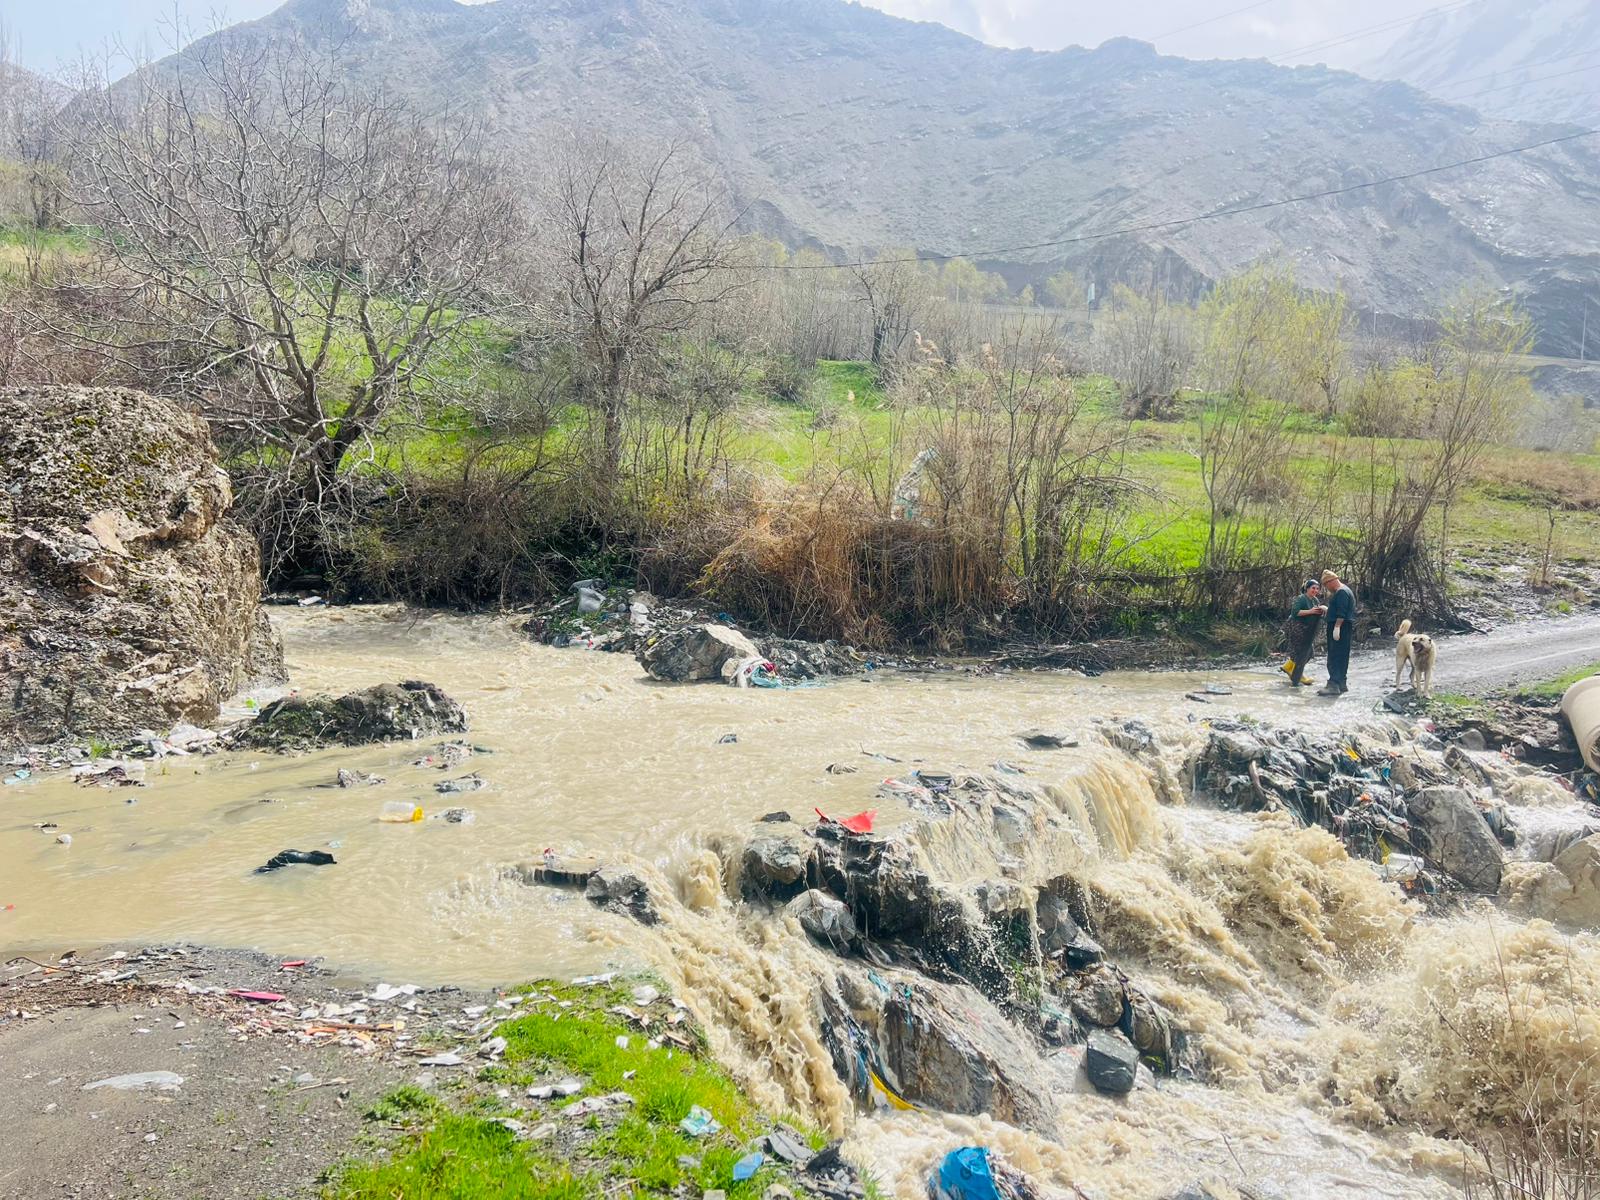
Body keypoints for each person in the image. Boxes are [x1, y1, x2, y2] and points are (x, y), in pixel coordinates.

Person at [1318, 569, 1356, 696]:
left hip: (1340, 627)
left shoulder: (1341, 592)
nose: (1327, 588)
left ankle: (1333, 685)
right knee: (1343, 655)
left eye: (1326, 585)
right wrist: (1328, 610)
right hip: (1345, 627)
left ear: (1330, 581)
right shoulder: (1346, 590)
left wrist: (1337, 627)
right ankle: (1341, 683)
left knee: (1334, 655)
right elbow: (1339, 609)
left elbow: (1341, 612)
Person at [1282, 579, 1325, 686]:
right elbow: (1295, 612)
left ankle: (1289, 668)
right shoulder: (1301, 598)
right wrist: (1311, 611)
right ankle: (1297, 674)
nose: (1315, 590)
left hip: (1307, 629)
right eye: (1313, 588)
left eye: (1317, 588)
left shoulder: (1315, 600)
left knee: (1308, 652)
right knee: (1303, 652)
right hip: (1295, 627)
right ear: (1307, 588)